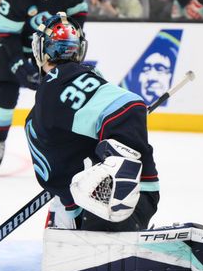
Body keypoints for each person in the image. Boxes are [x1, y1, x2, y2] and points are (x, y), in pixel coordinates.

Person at [25, 12, 159, 233]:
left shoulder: (46, 95)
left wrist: (66, 198)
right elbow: (128, 107)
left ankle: (73, 216)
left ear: (40, 50)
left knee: (44, 140)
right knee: (83, 151)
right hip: (147, 192)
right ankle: (109, 189)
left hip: (100, 208)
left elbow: (52, 171)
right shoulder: (92, 74)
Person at [0, 0, 87, 169]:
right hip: (17, 48)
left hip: (53, 51)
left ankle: (66, 147)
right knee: (4, 94)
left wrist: (66, 45)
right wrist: (17, 61)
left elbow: (79, 16)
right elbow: (6, 32)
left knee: (61, 97)